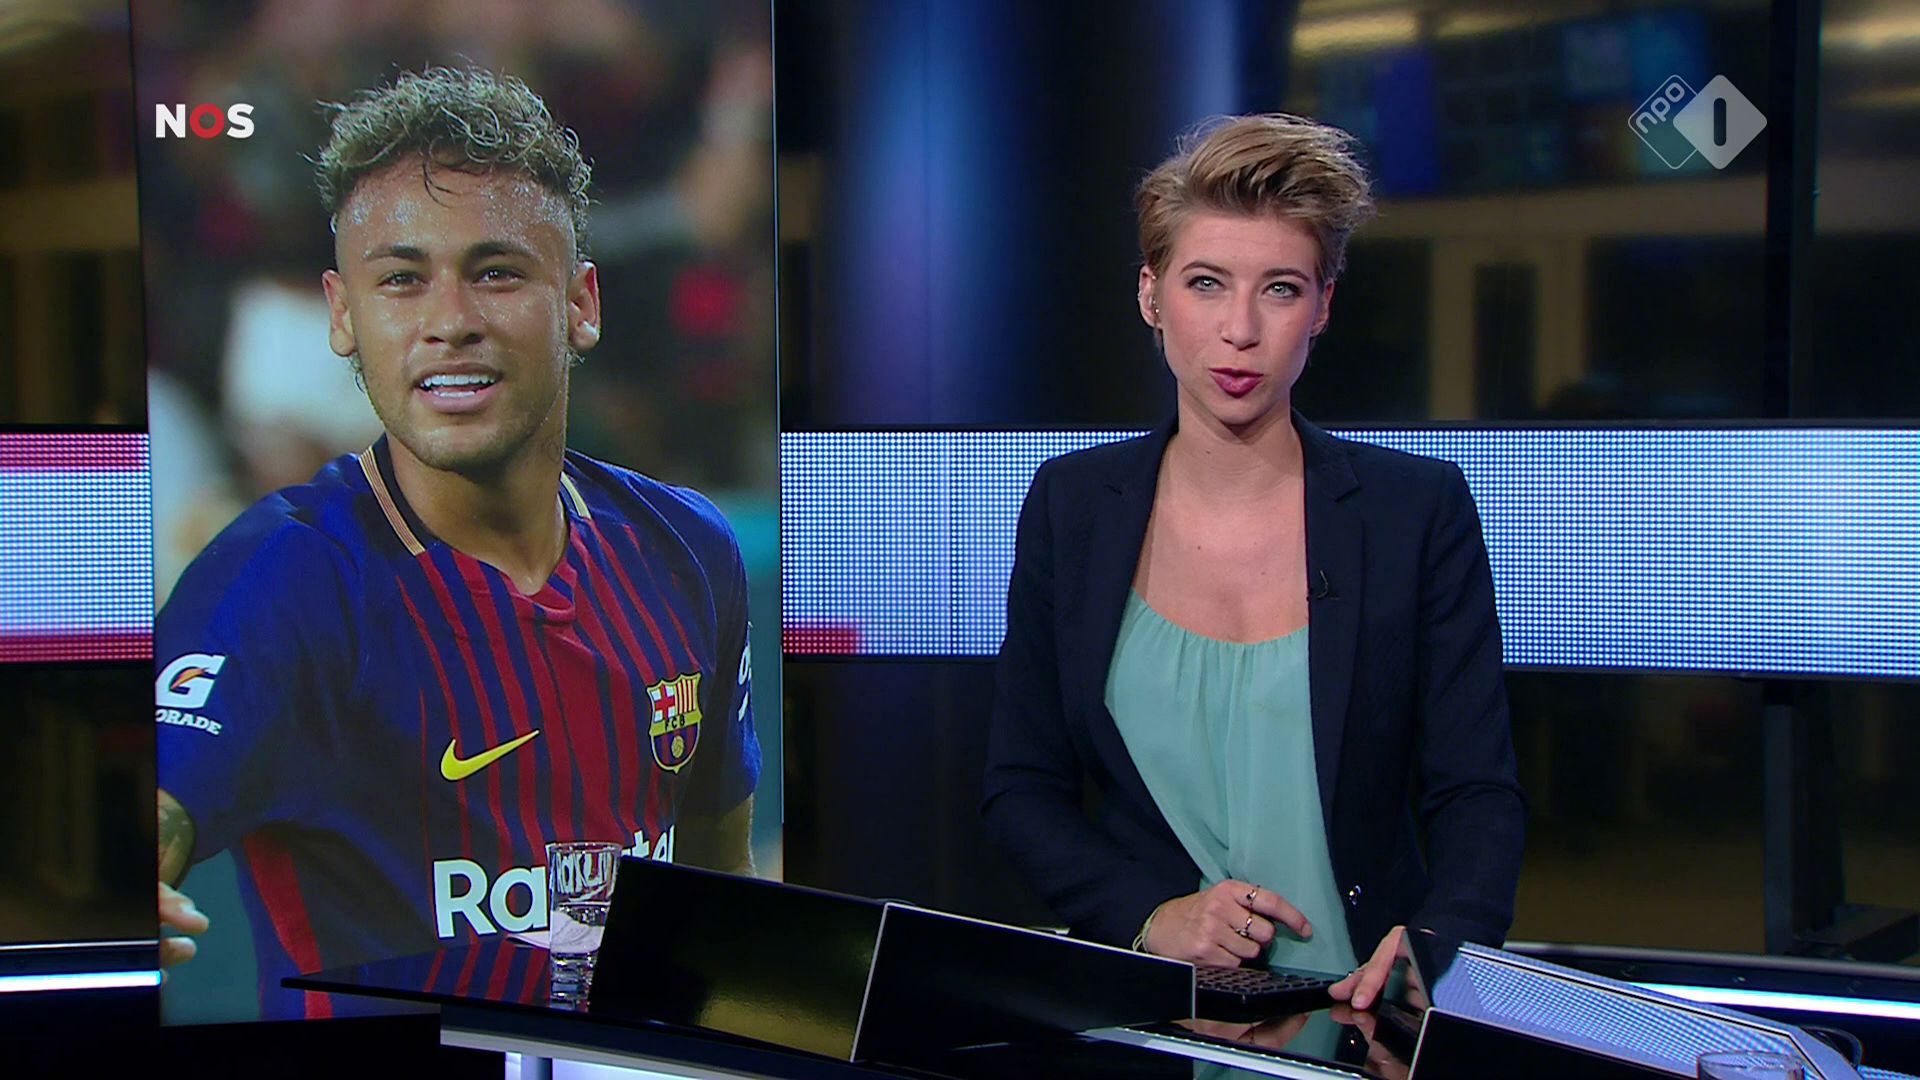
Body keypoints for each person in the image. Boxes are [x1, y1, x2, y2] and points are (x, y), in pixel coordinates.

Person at [155, 67, 760, 1020]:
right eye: (401, 280)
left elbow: (721, 886)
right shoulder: (280, 579)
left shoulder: (687, 550)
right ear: (344, 315)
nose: (449, 323)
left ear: (581, 303)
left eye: (496, 272)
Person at [979, 114, 1524, 1013]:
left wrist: (1440, 946)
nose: (1240, 330)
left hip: (1366, 1014)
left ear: (1323, 307)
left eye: (1280, 289)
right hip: (1153, 1014)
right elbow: (1021, 788)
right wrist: (1148, 917)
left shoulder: (1413, 510)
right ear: (1151, 296)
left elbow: (1476, 791)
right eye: (1206, 283)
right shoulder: (1072, 506)